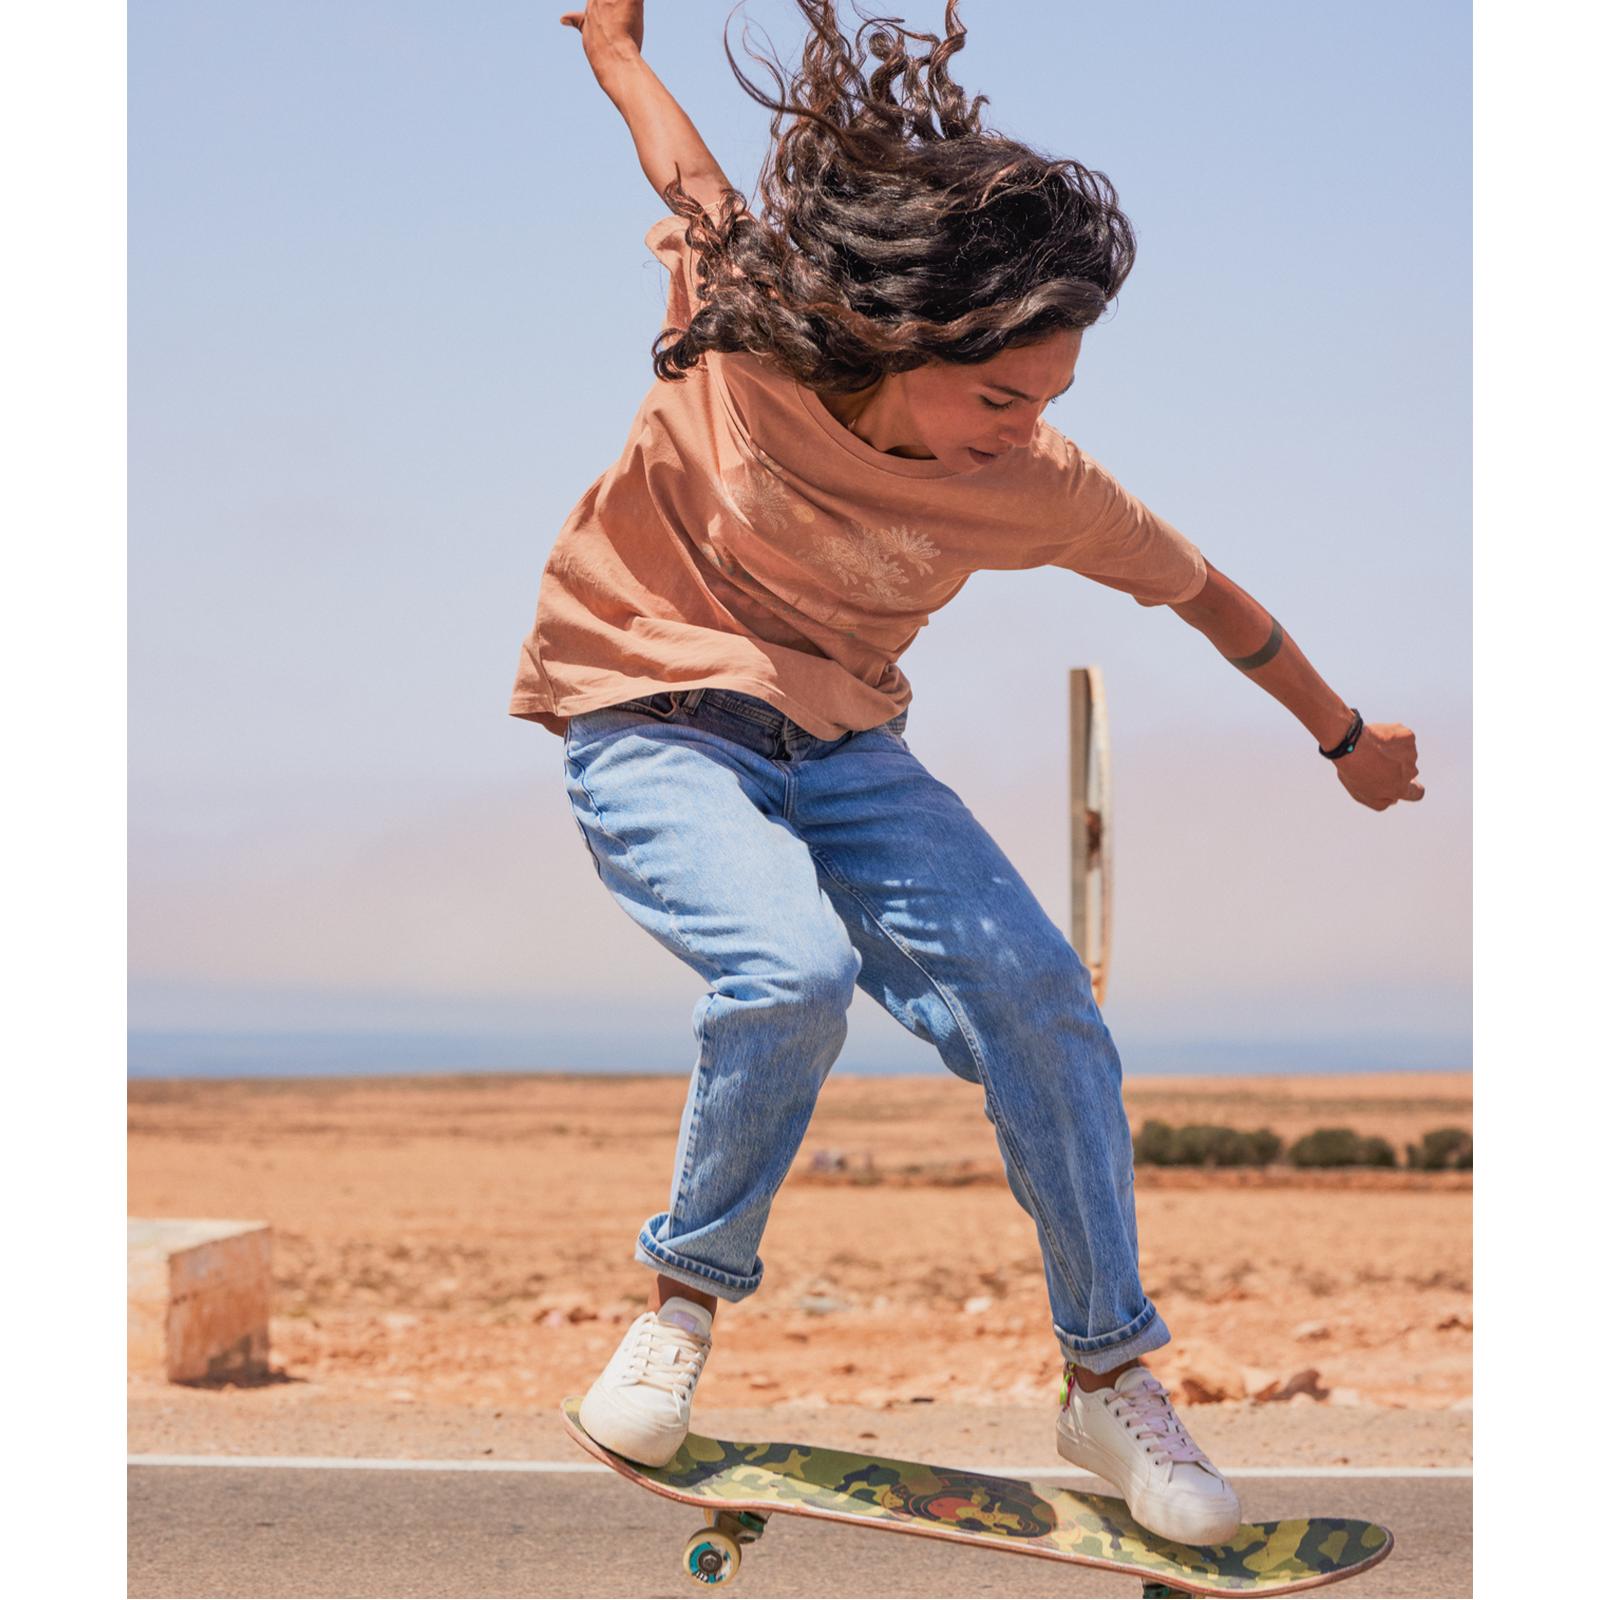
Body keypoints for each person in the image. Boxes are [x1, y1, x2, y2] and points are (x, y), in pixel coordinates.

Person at [517, 0, 1424, 1547]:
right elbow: (684, 171)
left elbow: (1210, 597)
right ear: (897, 342)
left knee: (1044, 1000)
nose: (1028, 432)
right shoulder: (743, 324)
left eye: (1051, 400)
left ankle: (1107, 1380)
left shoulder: (1042, 487)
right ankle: (679, 1310)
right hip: (650, 718)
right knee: (788, 971)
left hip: (848, 754)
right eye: (1002, 397)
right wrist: (613, 55)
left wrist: (1343, 737)